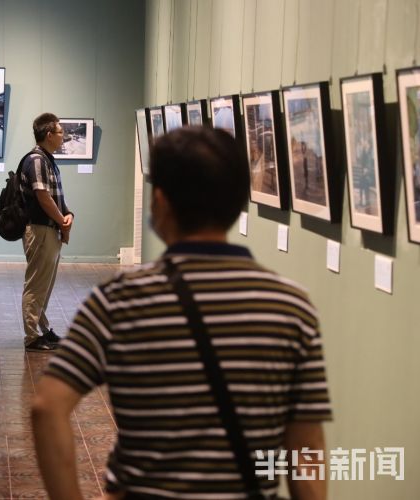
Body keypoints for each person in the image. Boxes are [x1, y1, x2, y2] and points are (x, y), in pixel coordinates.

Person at [32, 127, 332, 500]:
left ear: (160, 200)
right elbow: (306, 450)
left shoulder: (119, 300)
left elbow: (47, 407)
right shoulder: (292, 307)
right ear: (239, 200)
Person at [19, 113, 74, 352]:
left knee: (45, 285)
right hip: (41, 230)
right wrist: (62, 220)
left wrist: (67, 214)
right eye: (61, 132)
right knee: (36, 285)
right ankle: (32, 336)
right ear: (49, 135)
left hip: (49, 228)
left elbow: (55, 196)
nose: (64, 136)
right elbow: (43, 197)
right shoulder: (37, 160)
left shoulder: (47, 159)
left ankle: (44, 329)